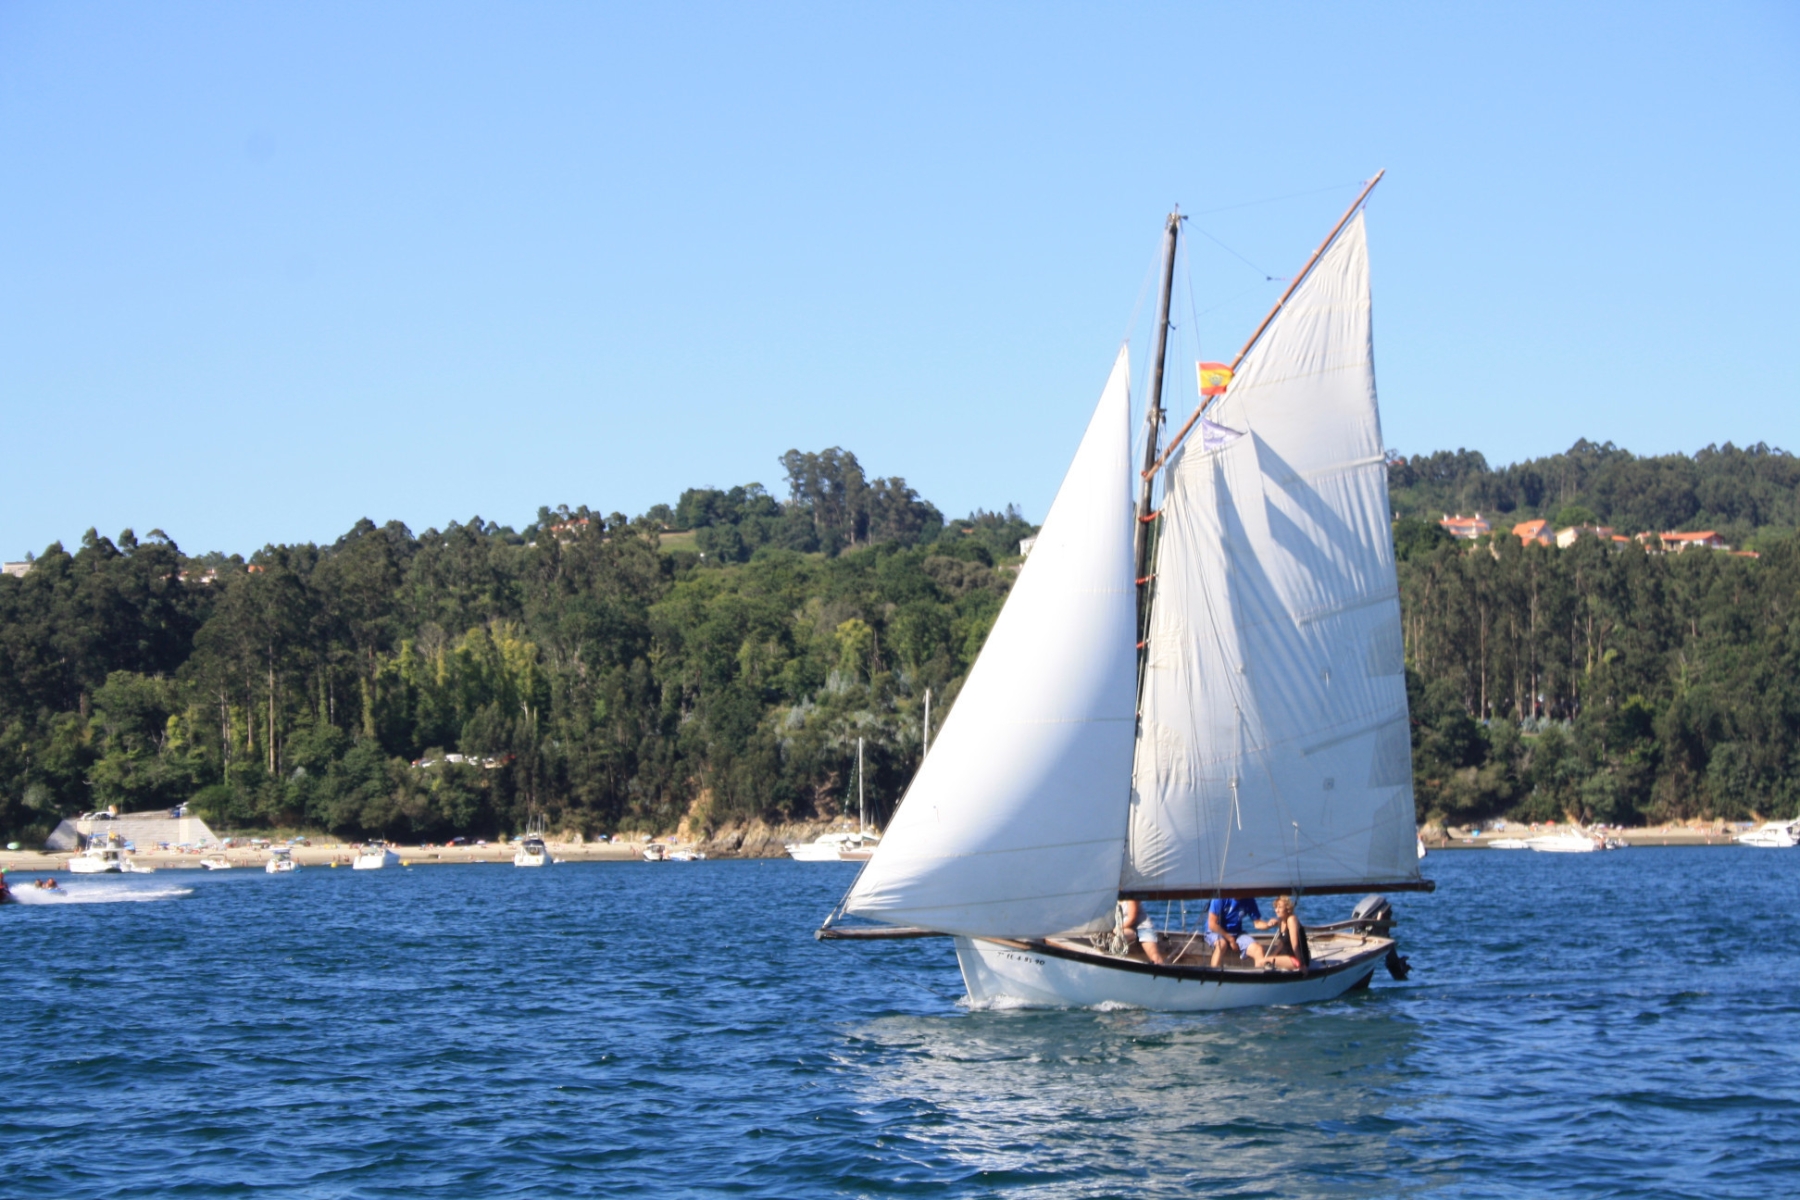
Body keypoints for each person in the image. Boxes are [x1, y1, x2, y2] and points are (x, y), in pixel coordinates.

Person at [1206, 896, 1271, 967]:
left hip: (1236, 932)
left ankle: (1259, 975)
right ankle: (1215, 973)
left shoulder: (1249, 899)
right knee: (1221, 944)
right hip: (1216, 931)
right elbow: (1212, 924)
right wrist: (1230, 939)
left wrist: (1269, 924)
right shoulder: (1220, 899)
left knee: (1257, 949)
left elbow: (1257, 923)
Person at [1264, 895, 1311, 971]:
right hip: (1286, 956)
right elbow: (1282, 943)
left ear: (1287, 909)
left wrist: (1302, 965)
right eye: (1276, 907)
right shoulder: (1281, 921)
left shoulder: (1291, 919)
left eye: (1280, 907)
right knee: (1264, 960)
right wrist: (1270, 956)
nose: (1277, 910)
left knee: (1260, 962)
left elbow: (1295, 945)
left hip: (1295, 958)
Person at [1116, 899, 1167, 965]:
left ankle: (1161, 972)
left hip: (1142, 927)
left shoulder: (1130, 896)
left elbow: (1132, 919)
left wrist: (1117, 928)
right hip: (1127, 929)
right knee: (1115, 937)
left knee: (1155, 957)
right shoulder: (1112, 898)